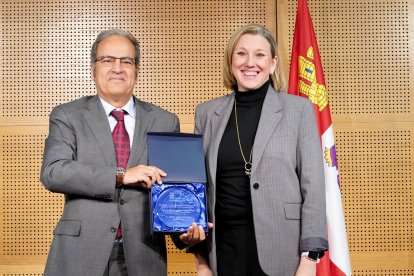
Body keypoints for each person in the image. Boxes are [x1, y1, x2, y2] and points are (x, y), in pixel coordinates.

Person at [40, 29, 181, 276]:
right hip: (80, 252)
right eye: (108, 60)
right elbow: (54, 172)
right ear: (93, 69)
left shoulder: (165, 121)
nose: (118, 68)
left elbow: (172, 187)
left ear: (137, 70)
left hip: (143, 254)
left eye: (126, 61)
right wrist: (121, 175)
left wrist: (184, 232)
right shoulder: (67, 115)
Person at [191, 24, 328, 276]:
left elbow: (314, 186)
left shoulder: (299, 110)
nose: (250, 62)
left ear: (273, 63)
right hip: (223, 250)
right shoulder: (207, 113)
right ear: (231, 61)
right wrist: (201, 262)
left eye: (260, 55)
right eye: (241, 54)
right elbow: (197, 188)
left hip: (282, 248)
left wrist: (310, 259)